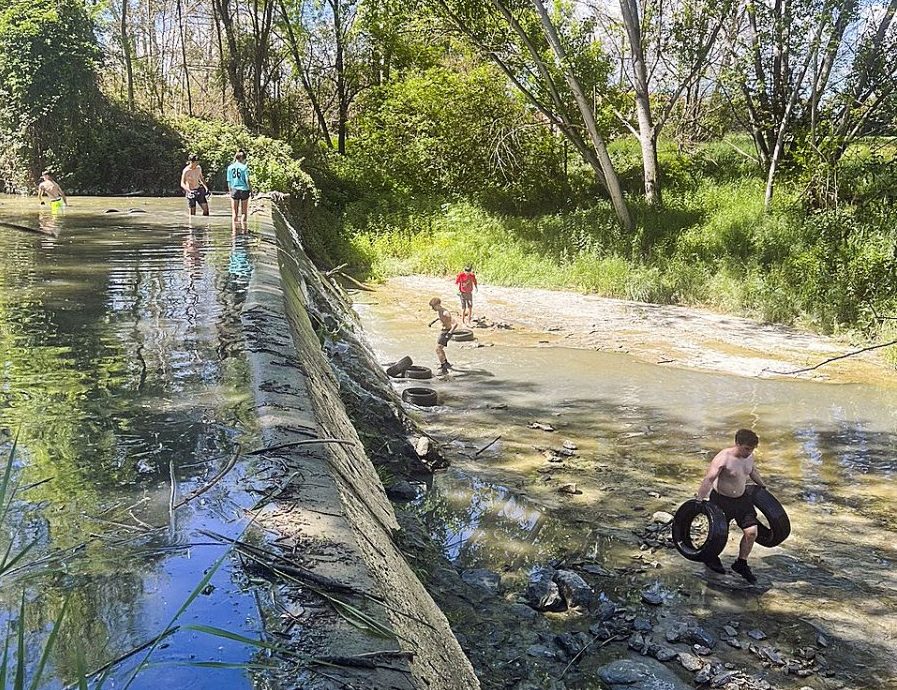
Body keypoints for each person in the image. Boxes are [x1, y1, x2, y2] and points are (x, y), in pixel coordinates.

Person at [695, 428, 767, 584]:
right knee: (719, 535)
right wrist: (699, 499)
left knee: (752, 532)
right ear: (737, 443)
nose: (749, 452)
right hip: (721, 500)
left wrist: (762, 485)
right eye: (746, 448)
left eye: (752, 449)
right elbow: (709, 479)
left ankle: (741, 563)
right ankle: (711, 558)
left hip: (742, 499)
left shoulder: (749, 457)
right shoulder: (723, 458)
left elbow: (752, 471)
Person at [428, 297, 457, 374]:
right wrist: (432, 322)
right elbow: (440, 317)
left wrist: (449, 333)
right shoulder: (440, 311)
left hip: (446, 332)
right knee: (440, 349)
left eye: (433, 307)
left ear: (437, 305)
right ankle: (446, 363)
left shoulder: (446, 313)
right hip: (443, 331)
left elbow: (455, 324)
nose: (432, 308)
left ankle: (444, 367)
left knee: (438, 349)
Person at [226, 150, 251, 223]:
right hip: (244, 190)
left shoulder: (230, 167)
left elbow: (229, 181)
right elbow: (247, 180)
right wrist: (251, 190)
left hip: (234, 190)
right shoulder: (244, 167)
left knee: (234, 213)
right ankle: (244, 230)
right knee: (244, 212)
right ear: (241, 158)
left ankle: (234, 231)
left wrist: (230, 192)